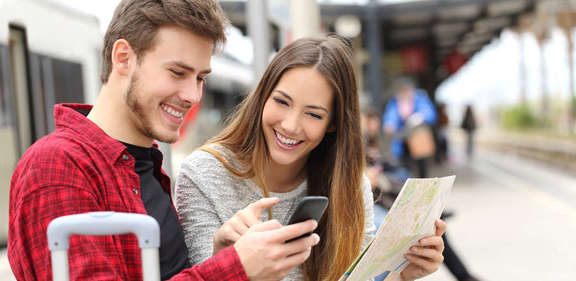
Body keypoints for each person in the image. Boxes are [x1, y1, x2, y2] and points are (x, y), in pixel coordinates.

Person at [8, 1, 319, 280]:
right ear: (123, 58)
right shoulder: (57, 165)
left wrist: (220, 257)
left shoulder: (143, 165)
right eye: (177, 72)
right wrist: (234, 269)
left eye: (200, 78)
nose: (192, 95)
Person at [175, 35, 446, 281]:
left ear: (333, 123)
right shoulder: (202, 174)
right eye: (281, 101)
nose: (291, 126)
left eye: (314, 114)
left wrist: (401, 275)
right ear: (262, 97)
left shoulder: (350, 187)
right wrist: (230, 262)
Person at [382, 77, 437, 178]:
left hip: (418, 139)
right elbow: (391, 116)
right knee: (404, 166)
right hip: (402, 140)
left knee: (421, 167)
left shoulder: (420, 98)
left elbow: (430, 113)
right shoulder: (394, 101)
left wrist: (419, 117)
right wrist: (389, 124)